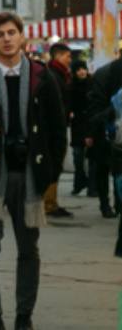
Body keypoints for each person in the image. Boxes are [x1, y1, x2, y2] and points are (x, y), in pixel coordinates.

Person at [0, 12, 66, 330]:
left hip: (30, 174)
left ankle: (23, 315)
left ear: (22, 37)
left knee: (28, 248)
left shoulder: (42, 77)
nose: (6, 38)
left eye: (11, 32)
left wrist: (52, 172)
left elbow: (58, 129)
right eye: (0, 34)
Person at [87, 56, 122, 257]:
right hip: (108, 134)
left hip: (109, 134)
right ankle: (106, 204)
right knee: (105, 171)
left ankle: (112, 205)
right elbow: (96, 106)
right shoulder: (107, 73)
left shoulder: (104, 72)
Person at [42, 43, 74, 219]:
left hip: (58, 125)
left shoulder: (61, 74)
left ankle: (51, 201)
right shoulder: (53, 75)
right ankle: (49, 203)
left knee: (55, 164)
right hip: (53, 128)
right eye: (68, 56)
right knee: (53, 164)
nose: (70, 60)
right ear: (58, 56)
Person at [68, 59, 92, 196]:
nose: (82, 72)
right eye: (78, 70)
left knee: (92, 158)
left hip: (90, 123)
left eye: (83, 68)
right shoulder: (71, 86)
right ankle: (79, 182)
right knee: (77, 156)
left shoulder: (93, 84)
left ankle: (92, 186)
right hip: (77, 124)